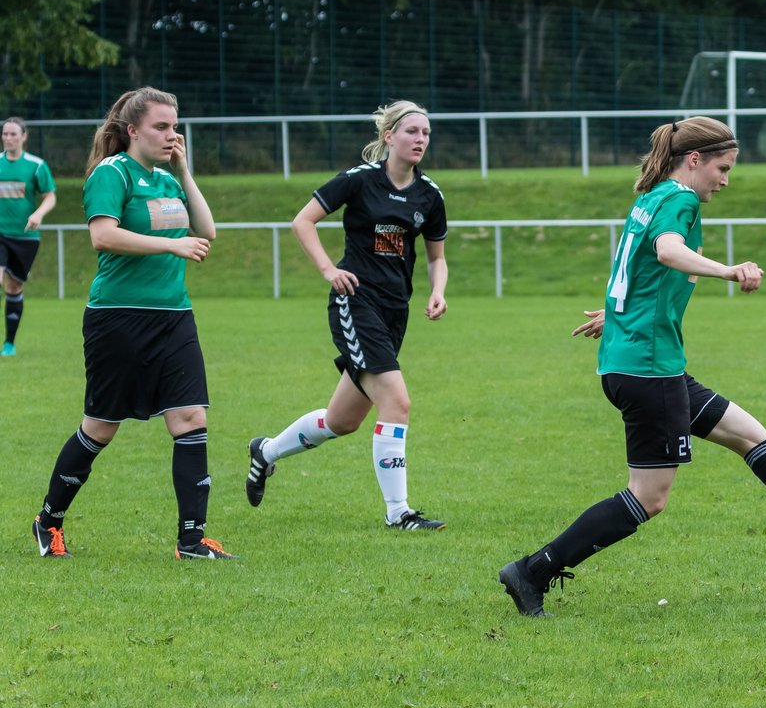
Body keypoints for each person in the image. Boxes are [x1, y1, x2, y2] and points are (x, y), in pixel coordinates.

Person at [498, 116, 766, 617]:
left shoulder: (652, 196)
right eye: (722, 168)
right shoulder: (678, 200)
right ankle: (532, 571)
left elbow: (633, 268)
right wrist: (729, 269)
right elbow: (665, 252)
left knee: (751, 437)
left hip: (646, 361)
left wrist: (615, 314)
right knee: (649, 498)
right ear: (695, 160)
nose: (725, 180)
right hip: (648, 369)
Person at [31, 87, 234, 559]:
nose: (170, 135)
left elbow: (207, 231)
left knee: (190, 419)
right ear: (132, 130)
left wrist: (183, 171)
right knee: (101, 427)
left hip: (174, 316)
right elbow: (103, 236)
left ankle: (192, 540)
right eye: (160, 127)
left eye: (174, 127)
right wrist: (171, 245)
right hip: (118, 318)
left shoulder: (167, 179)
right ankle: (49, 520)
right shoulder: (111, 172)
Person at [244, 101, 449, 531]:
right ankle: (399, 514)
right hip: (355, 303)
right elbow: (303, 221)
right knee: (397, 402)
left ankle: (265, 452)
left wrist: (438, 291)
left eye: (426, 133)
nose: (420, 140)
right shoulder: (359, 182)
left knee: (342, 421)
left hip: (395, 313)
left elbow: (435, 257)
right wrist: (328, 270)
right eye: (412, 131)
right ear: (389, 136)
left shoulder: (430, 195)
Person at [0, 116, 57, 357]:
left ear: (24, 137)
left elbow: (50, 196)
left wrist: (39, 214)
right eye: (4, 134)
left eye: (13, 134)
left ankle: (9, 343)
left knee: (14, 287)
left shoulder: (36, 165)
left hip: (25, 237)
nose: (8, 138)